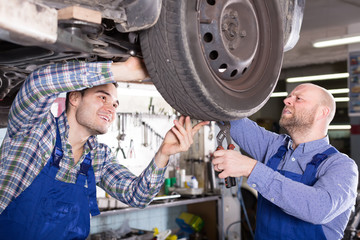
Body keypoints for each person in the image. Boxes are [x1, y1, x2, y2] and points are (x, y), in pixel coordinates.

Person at [0, 57, 209, 239]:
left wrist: (164, 153)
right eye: (102, 97)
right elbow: (39, 83)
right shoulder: (34, 129)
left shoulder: (98, 157)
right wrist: (123, 70)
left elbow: (138, 196)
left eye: (115, 104)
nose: (111, 108)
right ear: (74, 97)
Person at [212, 83, 359, 240]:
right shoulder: (274, 147)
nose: (287, 100)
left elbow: (319, 208)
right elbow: (231, 118)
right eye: (289, 96)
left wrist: (252, 169)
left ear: (322, 112)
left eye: (298, 98)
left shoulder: (340, 166)